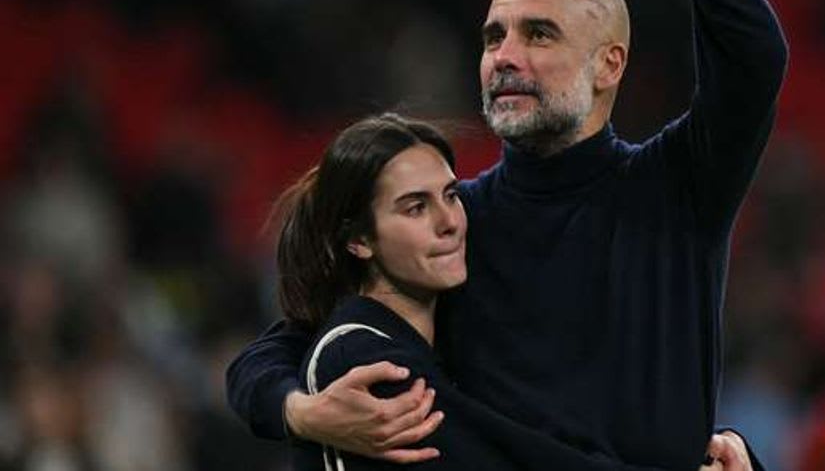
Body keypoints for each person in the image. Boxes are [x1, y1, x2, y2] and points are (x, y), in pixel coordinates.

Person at [227, 0, 787, 468]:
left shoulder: (675, 189)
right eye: (494, 37)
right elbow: (277, 351)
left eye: (538, 34)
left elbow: (754, 60)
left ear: (610, 64)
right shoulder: (456, 227)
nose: (504, 57)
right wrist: (301, 409)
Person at [273, 112, 738, 470]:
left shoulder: (439, 335)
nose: (448, 222)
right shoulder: (361, 356)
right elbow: (514, 461)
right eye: (415, 208)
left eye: (451, 196)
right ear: (358, 240)